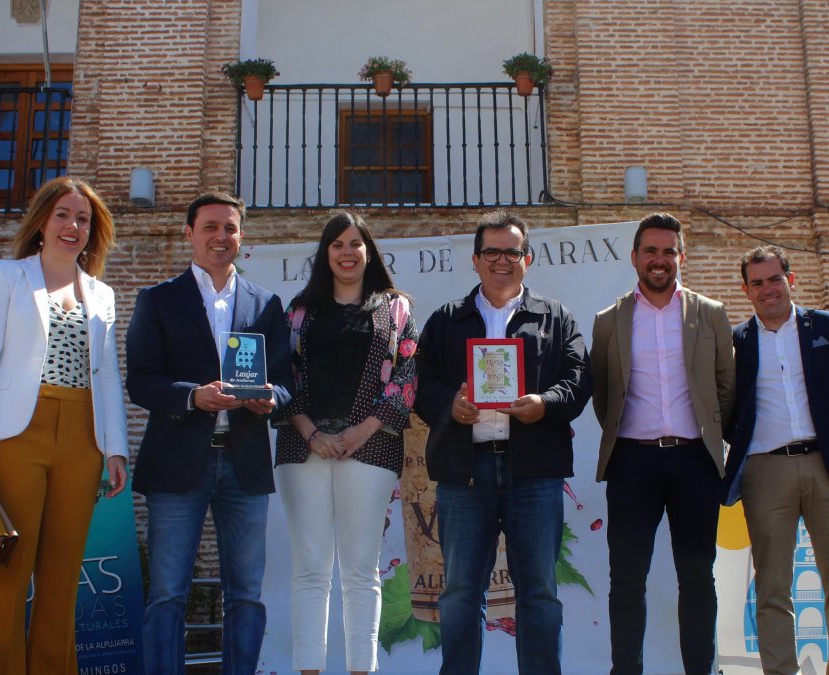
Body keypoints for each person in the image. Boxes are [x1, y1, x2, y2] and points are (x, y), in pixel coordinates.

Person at [0, 177, 129, 675]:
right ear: (41, 223)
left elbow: (109, 376)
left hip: (82, 437)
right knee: (6, 574)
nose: (72, 226)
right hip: (16, 435)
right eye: (63, 215)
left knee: (61, 576)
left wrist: (114, 449)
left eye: (83, 219)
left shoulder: (102, 294)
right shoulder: (6, 276)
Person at [414, 210, 592, 675]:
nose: (501, 260)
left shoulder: (554, 318)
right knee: (459, 594)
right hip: (464, 472)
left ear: (527, 259)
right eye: (491, 251)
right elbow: (420, 385)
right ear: (475, 260)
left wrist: (544, 403)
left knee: (538, 593)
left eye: (511, 251)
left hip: (533, 472)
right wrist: (450, 404)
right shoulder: (446, 320)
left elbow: (578, 381)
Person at [126, 192, 293, 675]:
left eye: (231, 228)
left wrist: (270, 400)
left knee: (246, 595)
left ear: (241, 236)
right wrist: (193, 396)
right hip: (177, 463)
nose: (221, 237)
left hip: (245, 463)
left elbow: (286, 381)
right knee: (167, 596)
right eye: (210, 227)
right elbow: (141, 380)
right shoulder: (158, 300)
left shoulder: (266, 303)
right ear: (189, 233)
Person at [272, 212, 418, 674]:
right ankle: (309, 669)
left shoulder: (396, 309)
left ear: (369, 250)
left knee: (361, 571)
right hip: (303, 449)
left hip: (369, 449)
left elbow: (408, 377)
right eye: (337, 244)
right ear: (325, 253)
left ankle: (362, 669)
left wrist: (360, 430)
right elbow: (279, 378)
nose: (347, 252)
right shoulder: (298, 311)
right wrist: (310, 432)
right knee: (310, 569)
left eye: (356, 243)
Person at [589, 212, 734, 675]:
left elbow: (726, 388)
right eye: (650, 251)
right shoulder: (609, 321)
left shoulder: (710, 314)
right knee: (627, 580)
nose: (659, 260)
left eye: (668, 251)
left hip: (695, 462)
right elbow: (603, 394)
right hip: (633, 465)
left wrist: (710, 437)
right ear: (634, 258)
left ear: (681, 257)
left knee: (697, 577)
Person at [723, 245, 829, 675]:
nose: (767, 289)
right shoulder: (736, 342)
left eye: (774, 279)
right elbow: (728, 410)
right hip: (765, 470)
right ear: (746, 290)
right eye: (757, 283)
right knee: (772, 586)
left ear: (791, 279)